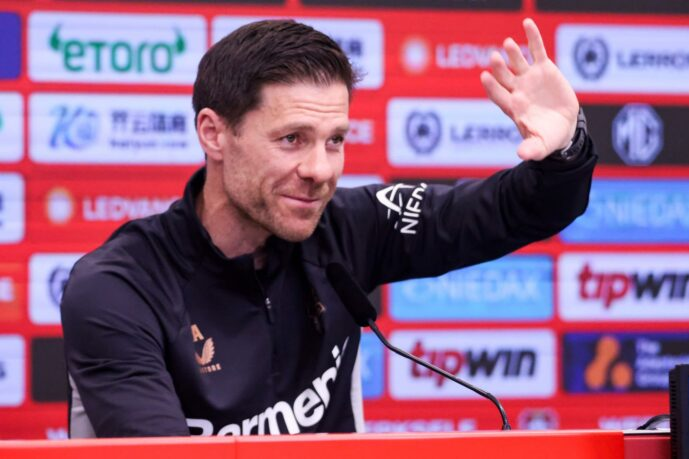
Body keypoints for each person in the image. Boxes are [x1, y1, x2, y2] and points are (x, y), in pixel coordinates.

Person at [61, 18, 596, 438]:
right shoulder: (119, 286)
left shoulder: (347, 228)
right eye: (292, 139)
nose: (320, 170)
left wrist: (564, 149)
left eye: (334, 140)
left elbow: (507, 211)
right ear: (214, 134)